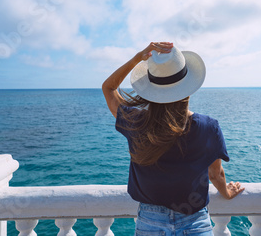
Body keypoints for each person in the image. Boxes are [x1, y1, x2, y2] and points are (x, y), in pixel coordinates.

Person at [102, 42, 244, 235]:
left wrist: (138, 58)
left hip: (149, 222)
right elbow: (215, 175)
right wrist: (226, 193)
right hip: (195, 222)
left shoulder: (136, 122)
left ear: (151, 88)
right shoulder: (208, 126)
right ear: (188, 87)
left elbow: (109, 88)